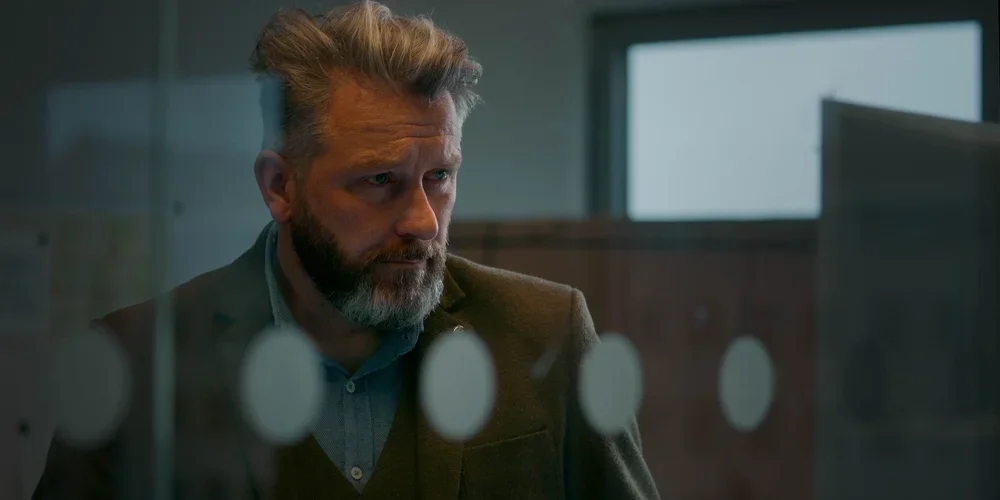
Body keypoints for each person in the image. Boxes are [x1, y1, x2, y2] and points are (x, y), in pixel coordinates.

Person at [32, 1, 660, 498]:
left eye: (439, 177)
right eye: (379, 181)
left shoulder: (545, 336)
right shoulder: (140, 360)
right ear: (280, 186)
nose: (421, 221)